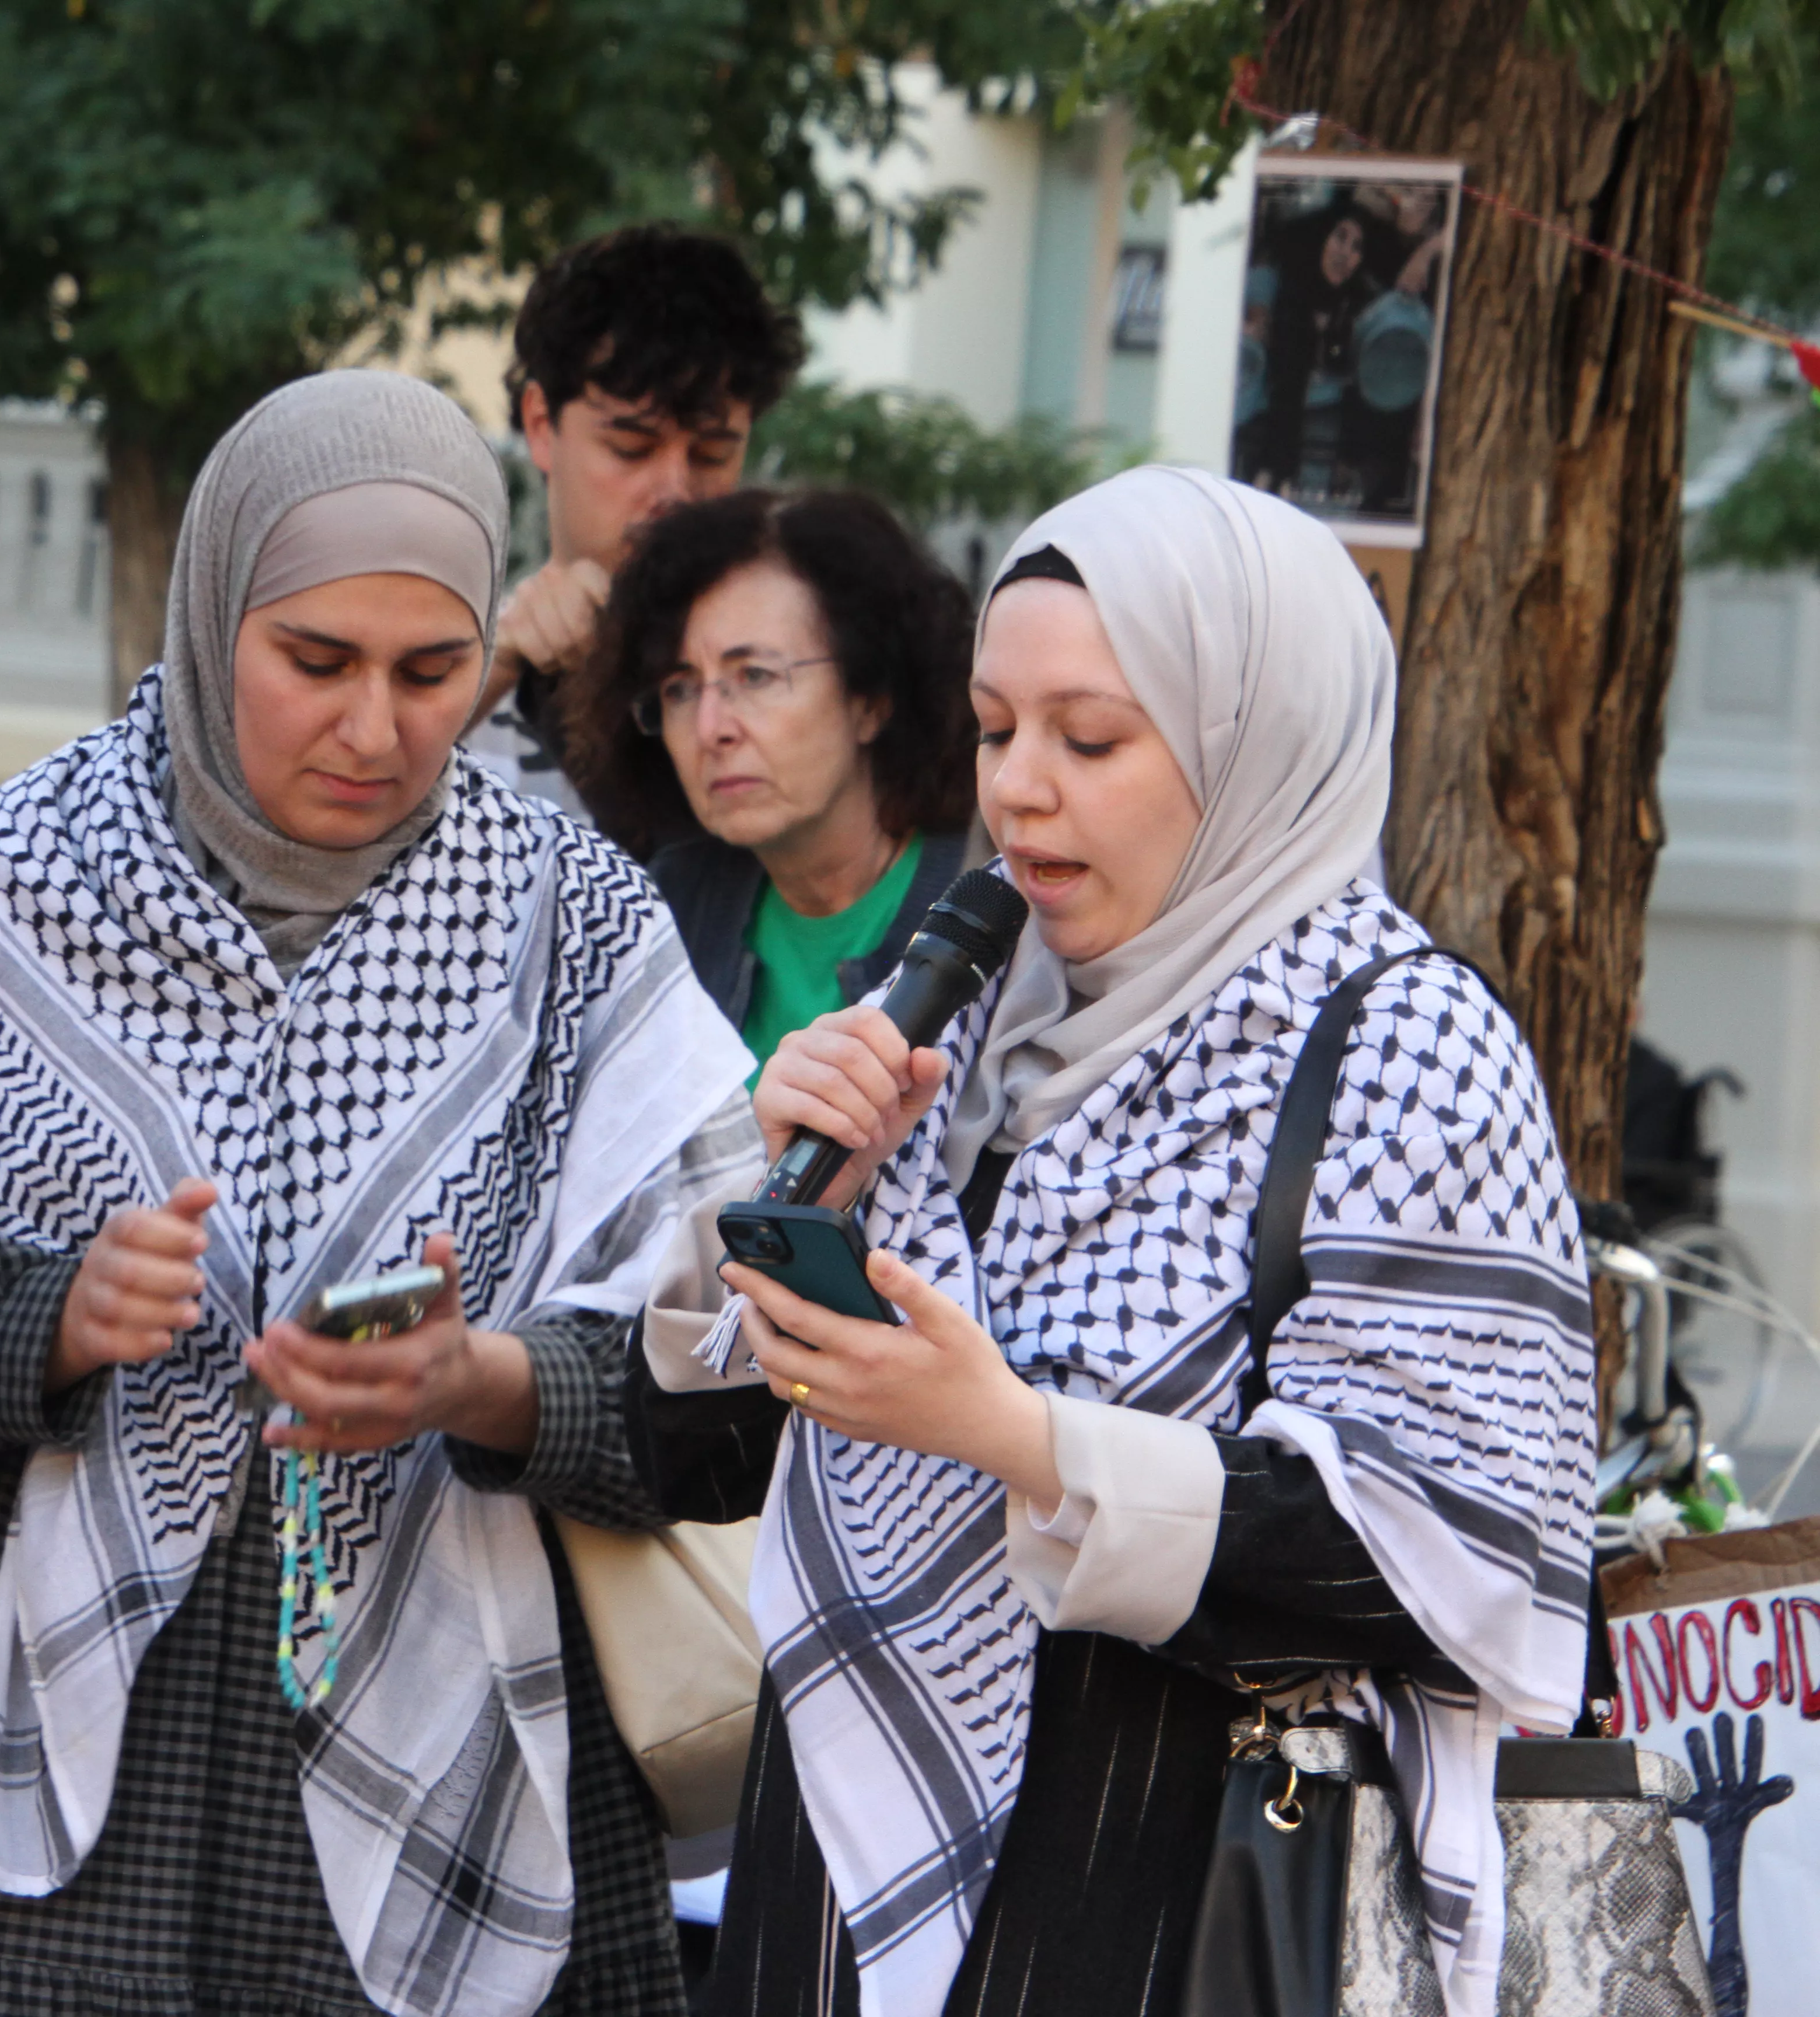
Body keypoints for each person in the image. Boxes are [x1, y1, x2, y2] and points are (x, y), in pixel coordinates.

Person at [0, 371, 761, 2017]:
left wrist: (485, 1381)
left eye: (432, 671)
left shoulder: (573, 927)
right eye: (314, 663)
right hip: (55, 1820)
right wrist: (56, 1318)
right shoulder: (12, 893)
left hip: (467, 1727)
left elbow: (725, 1383)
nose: (374, 730)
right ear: (210, 606)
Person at [627, 466, 1595, 2017]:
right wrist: (779, 1195)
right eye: (998, 733)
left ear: (1251, 742)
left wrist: (1007, 1434)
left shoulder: (1407, 1051)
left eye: (1090, 740)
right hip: (836, 1882)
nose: (1016, 794)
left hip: (1173, 1887)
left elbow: (1441, 1559)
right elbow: (690, 1453)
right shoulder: (952, 1001)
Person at [566, 487, 978, 1071]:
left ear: (871, 699)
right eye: (680, 688)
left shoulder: (985, 903)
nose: (711, 729)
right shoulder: (674, 905)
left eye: (755, 676)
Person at [463, 225, 804, 817]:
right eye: (631, 447)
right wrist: (493, 669)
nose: (674, 492)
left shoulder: (803, 679)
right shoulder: (472, 677)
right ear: (542, 426)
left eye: (711, 454)